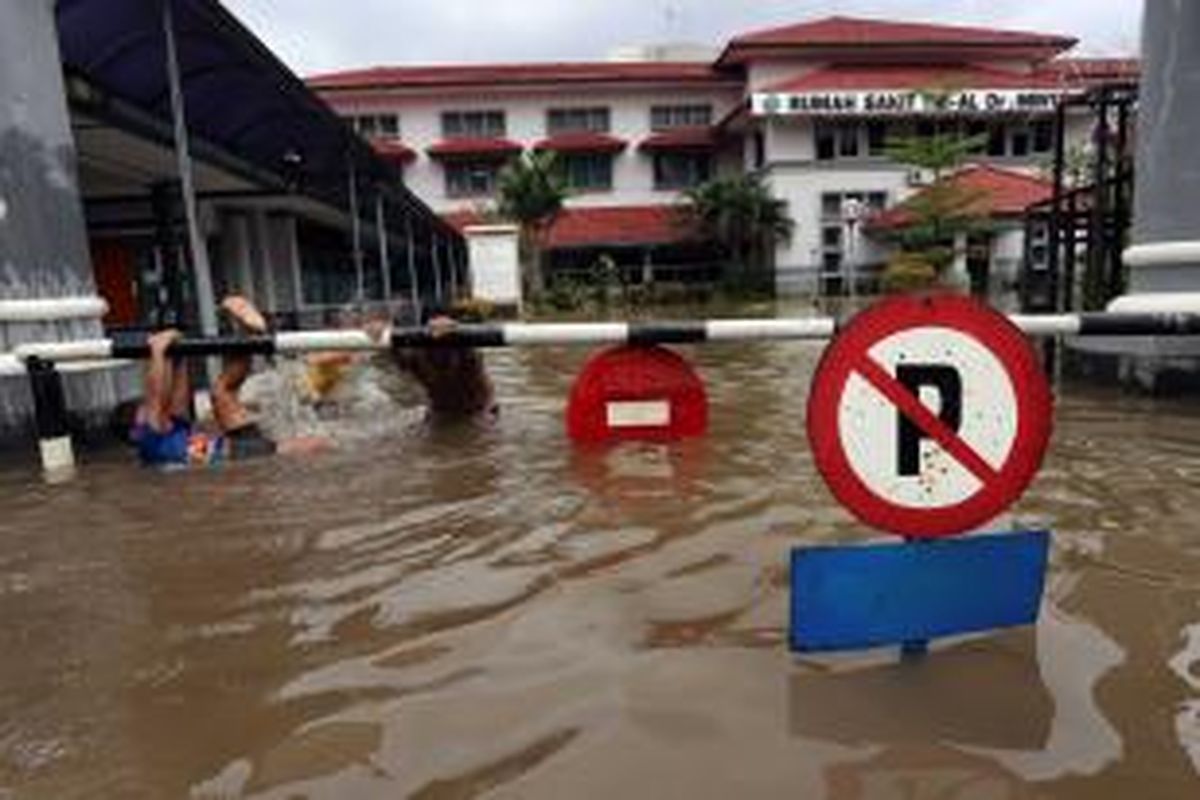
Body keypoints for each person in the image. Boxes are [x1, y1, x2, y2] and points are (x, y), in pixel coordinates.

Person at [111, 296, 329, 467]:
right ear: (135, 431)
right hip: (243, 456)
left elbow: (177, 397)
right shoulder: (151, 443)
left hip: (239, 449)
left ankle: (251, 333)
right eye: (142, 409)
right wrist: (158, 352)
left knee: (221, 390)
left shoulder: (171, 430)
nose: (148, 407)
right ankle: (251, 334)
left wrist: (179, 354)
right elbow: (156, 394)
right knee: (318, 445)